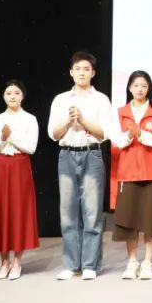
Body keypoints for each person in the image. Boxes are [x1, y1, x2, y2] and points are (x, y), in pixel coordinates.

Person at [47, 51, 113, 280]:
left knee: (92, 212)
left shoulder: (101, 99)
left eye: (86, 69)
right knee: (68, 213)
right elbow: (53, 134)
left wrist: (83, 120)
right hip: (66, 155)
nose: (82, 73)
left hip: (91, 154)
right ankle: (71, 264)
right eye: (78, 69)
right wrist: (68, 121)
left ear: (93, 73)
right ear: (71, 72)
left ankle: (90, 265)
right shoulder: (61, 99)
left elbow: (104, 133)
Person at [111, 70, 152, 280]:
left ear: (149, 89)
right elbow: (118, 141)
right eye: (136, 85)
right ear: (129, 88)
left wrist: (141, 134)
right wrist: (128, 136)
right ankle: (132, 262)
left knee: (150, 221)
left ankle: (148, 262)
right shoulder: (120, 112)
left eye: (144, 86)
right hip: (128, 173)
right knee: (129, 222)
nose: (139, 89)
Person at [0, 79, 40, 280]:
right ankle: (4, 262)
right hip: (0, 165)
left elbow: (31, 147)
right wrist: (2, 138)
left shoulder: (30, 119)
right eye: (8, 93)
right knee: (1, 211)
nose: (12, 96)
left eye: (16, 93)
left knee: (18, 211)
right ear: (3, 96)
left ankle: (17, 262)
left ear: (22, 96)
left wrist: (11, 136)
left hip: (20, 165)